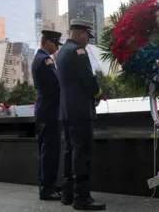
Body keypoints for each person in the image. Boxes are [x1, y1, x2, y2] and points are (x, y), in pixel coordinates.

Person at [56, 19, 106, 211]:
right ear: (81, 34)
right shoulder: (78, 52)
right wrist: (98, 94)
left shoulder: (61, 53)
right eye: (86, 36)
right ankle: (82, 198)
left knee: (70, 153)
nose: (87, 41)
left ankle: (68, 194)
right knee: (82, 155)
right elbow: (88, 79)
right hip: (80, 112)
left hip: (67, 112)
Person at [31, 30, 63, 201]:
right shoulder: (45, 60)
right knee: (50, 151)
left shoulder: (39, 58)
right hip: (49, 112)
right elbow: (56, 87)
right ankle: (47, 189)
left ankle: (47, 185)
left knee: (46, 151)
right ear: (48, 42)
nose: (57, 48)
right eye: (55, 44)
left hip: (45, 111)